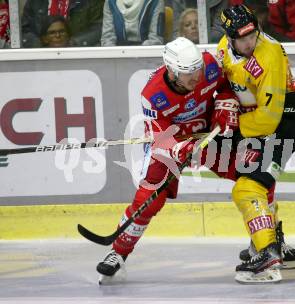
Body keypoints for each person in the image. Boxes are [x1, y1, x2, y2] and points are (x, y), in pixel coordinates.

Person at [95, 37, 243, 284]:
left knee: (252, 175)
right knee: (149, 200)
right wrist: (179, 148)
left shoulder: (208, 65)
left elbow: (228, 86)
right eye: (188, 74)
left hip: (208, 135)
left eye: (197, 70)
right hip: (173, 143)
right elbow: (160, 138)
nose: (196, 77)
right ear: (172, 72)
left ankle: (269, 241)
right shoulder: (152, 95)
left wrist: (224, 105)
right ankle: (118, 252)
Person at [217, 5, 295, 283]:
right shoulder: (224, 47)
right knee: (263, 184)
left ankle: (267, 253)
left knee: (250, 186)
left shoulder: (268, 55)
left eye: (252, 35)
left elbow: (268, 120)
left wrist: (231, 128)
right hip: (260, 119)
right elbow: (226, 84)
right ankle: (276, 243)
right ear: (229, 36)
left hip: (288, 122)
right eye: (241, 38)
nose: (249, 43)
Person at [21, 0, 104, 48]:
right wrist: (40, 43)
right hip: (42, 59)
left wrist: (74, 42)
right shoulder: (35, 2)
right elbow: (24, 30)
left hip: (79, 57)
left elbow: (99, 27)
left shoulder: (91, 1)